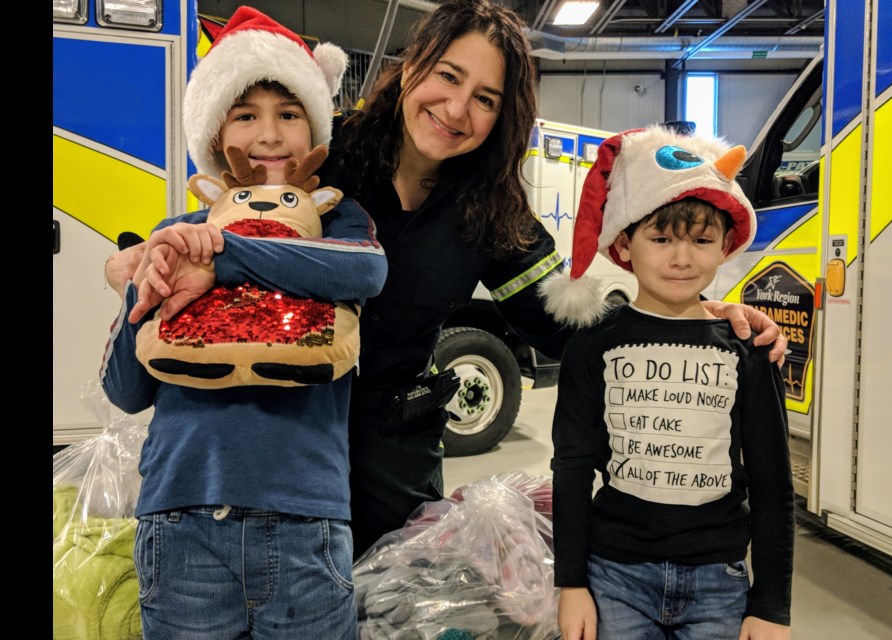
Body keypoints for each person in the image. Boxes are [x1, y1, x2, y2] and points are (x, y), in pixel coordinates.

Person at [109, 0, 788, 561]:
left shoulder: (492, 209)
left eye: (485, 98)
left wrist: (693, 312)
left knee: (389, 612)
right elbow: (218, 221)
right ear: (411, 71)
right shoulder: (324, 152)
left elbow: (569, 321)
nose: (458, 109)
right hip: (277, 436)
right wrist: (135, 256)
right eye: (447, 76)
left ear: (504, 115)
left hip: (395, 454)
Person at [99, 6, 387, 638]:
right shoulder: (176, 235)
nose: (270, 134)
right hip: (180, 521)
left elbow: (364, 274)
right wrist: (143, 290)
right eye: (246, 114)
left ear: (314, 131)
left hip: (305, 523)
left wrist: (223, 256)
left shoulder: (337, 222)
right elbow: (125, 391)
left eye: (289, 114)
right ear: (214, 131)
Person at [546, 127, 794, 640]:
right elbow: (571, 469)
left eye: (701, 240)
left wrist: (771, 603)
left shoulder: (748, 348)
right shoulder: (592, 347)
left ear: (725, 245)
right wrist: (569, 583)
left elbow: (773, 482)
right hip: (614, 576)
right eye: (660, 239)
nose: (681, 259)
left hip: (719, 581)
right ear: (623, 244)